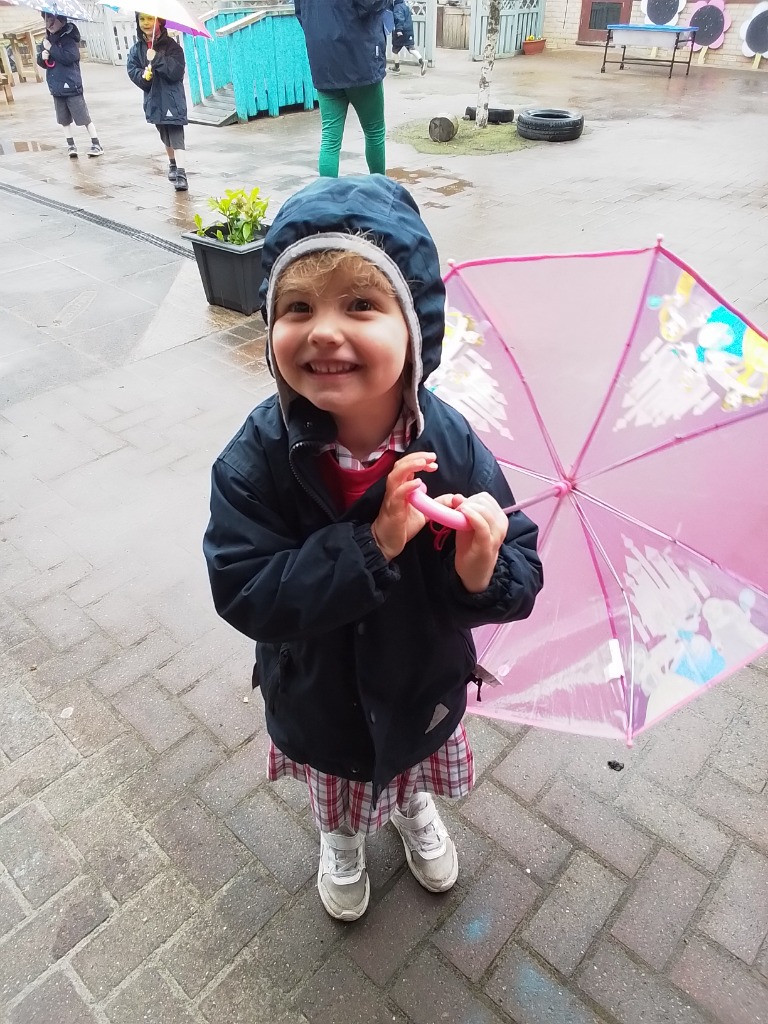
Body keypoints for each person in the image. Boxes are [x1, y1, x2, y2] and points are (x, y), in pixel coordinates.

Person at [203, 175, 543, 922]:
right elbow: (246, 589)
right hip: (318, 690)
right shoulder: (256, 460)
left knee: (407, 768)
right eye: (298, 307)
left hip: (417, 677)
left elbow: (520, 561)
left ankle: (413, 807)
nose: (324, 330)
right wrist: (377, 540)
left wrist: (480, 571)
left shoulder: (447, 441)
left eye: (360, 304)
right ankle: (341, 836)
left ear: (414, 326)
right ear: (269, 329)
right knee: (339, 786)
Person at [293, 0, 388, 177]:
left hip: (323, 60)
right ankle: (380, 192)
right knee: (374, 132)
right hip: (360, 57)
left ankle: (327, 199)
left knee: (330, 139)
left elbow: (300, 12)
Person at [127, 13, 188, 191]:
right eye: (142, 19)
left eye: (150, 19)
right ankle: (173, 163)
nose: (146, 23)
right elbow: (132, 70)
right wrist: (143, 77)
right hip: (154, 99)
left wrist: (158, 58)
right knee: (165, 134)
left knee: (176, 133)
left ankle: (182, 173)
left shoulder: (172, 47)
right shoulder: (137, 49)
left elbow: (176, 72)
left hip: (172, 98)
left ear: (159, 21)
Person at [36, 14, 103, 158]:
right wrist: (42, 57)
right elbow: (42, 62)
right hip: (56, 86)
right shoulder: (46, 40)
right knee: (63, 118)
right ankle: (71, 144)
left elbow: (70, 57)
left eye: (53, 21)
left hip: (71, 85)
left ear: (63, 21)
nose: (50, 24)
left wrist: (52, 48)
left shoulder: (68, 39)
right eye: (47, 20)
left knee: (83, 116)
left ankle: (96, 143)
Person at [391, 0, 426, 74]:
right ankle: (421, 61)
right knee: (411, 48)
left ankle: (396, 66)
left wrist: (399, 30)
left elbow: (399, 18)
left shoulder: (397, 7)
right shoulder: (405, 5)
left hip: (401, 31)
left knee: (395, 49)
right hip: (409, 30)